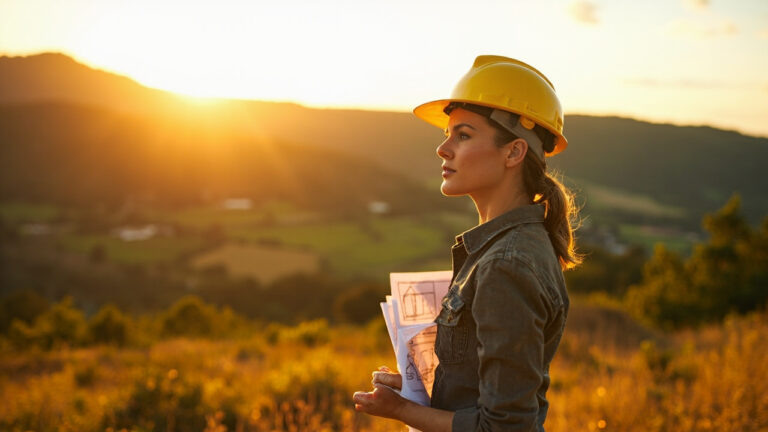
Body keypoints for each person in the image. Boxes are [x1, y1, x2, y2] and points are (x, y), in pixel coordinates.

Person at [353, 55, 581, 431]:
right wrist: (418, 388)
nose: (443, 149)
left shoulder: (506, 264)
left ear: (513, 152)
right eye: (448, 135)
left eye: (463, 135)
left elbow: (505, 427)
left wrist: (401, 411)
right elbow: (481, 391)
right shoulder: (505, 250)